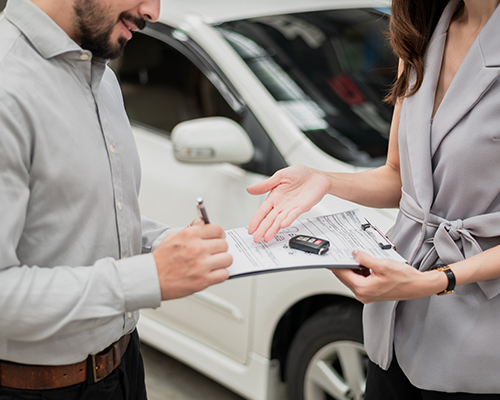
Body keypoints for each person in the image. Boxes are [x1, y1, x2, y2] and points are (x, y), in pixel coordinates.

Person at [247, 0, 500, 397]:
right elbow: (400, 177)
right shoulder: (424, 34)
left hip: (481, 338)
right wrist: (323, 179)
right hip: (396, 322)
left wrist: (437, 280)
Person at [0, 0, 232, 398]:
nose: (153, 11)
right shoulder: (7, 86)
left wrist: (166, 244)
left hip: (124, 366)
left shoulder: (100, 75)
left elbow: (89, 216)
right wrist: (151, 277)